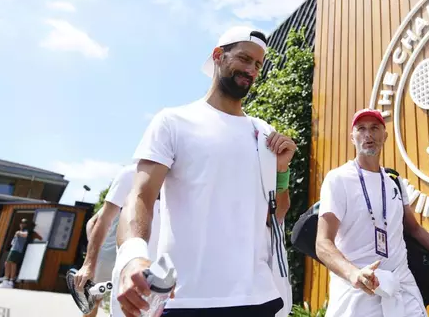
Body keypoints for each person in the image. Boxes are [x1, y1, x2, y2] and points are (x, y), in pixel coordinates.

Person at [115, 26, 296, 317]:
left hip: (257, 298)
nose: (251, 69)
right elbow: (140, 196)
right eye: (244, 58)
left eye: (258, 65)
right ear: (217, 56)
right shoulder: (173, 121)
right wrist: (133, 256)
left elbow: (275, 215)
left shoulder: (264, 133)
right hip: (186, 299)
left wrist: (282, 170)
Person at [315, 109, 429, 317]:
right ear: (352, 137)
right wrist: (353, 274)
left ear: (385, 135)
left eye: (374, 128)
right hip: (360, 290)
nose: (368, 134)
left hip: (402, 286)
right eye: (361, 129)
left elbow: (414, 228)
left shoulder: (394, 181)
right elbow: (323, 243)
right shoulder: (338, 179)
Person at [72, 163, 162, 317]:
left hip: (164, 276)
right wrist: (89, 262)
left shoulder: (186, 181)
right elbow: (100, 220)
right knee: (95, 297)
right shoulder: (130, 174)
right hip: (122, 261)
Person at [0, 218, 42, 288]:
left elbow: (26, 235)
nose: (21, 224)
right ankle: (7, 280)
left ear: (25, 225)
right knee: (9, 263)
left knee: (11, 263)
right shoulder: (20, 231)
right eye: (21, 223)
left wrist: (18, 233)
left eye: (23, 223)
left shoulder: (25, 231)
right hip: (13, 249)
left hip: (17, 250)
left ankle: (9, 281)